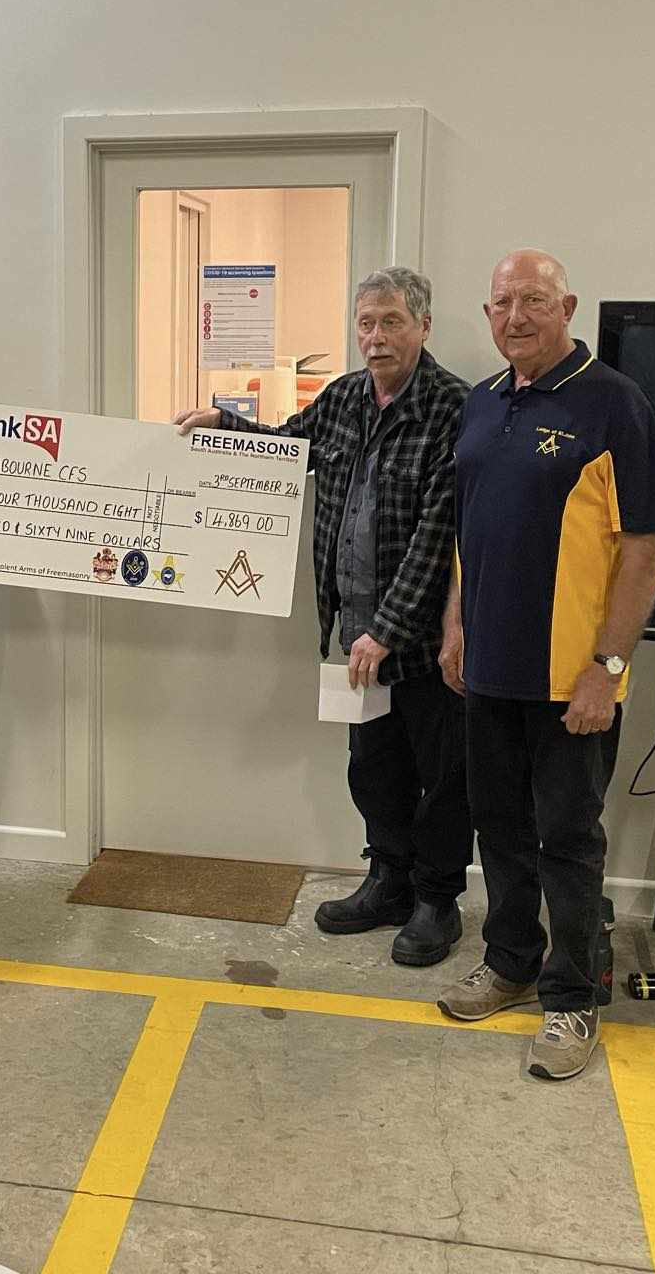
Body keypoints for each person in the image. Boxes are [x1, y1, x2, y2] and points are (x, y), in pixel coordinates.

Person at [177, 267, 472, 966]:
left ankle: (437, 899)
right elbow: (288, 448)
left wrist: (389, 629)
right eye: (365, 323)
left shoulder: (453, 408)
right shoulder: (342, 399)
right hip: (353, 632)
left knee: (444, 777)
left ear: (423, 326)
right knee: (373, 768)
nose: (375, 338)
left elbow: (441, 531)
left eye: (391, 322)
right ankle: (389, 879)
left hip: (424, 641)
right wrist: (225, 426)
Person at [436, 249, 655, 1083]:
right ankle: (509, 963)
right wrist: (456, 625)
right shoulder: (482, 403)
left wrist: (606, 668)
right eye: (501, 301)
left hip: (572, 680)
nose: (515, 316)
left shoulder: (614, 405)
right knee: (498, 830)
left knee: (567, 842)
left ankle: (572, 1001)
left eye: (533, 299)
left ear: (567, 305)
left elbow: (646, 553)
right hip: (490, 670)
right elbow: (471, 532)